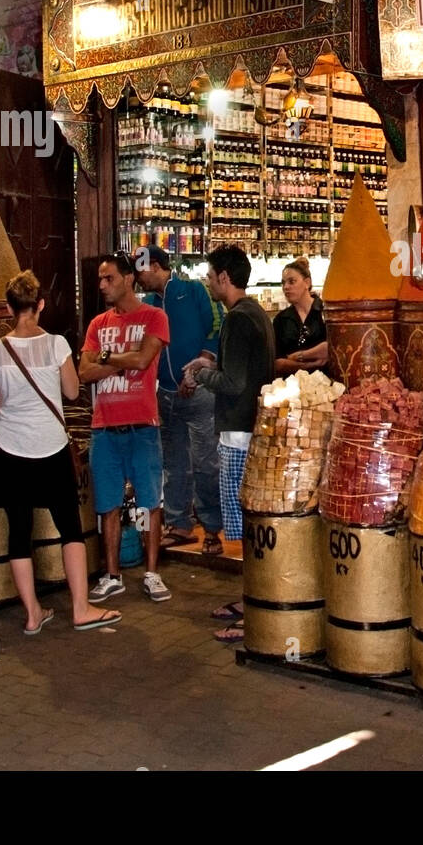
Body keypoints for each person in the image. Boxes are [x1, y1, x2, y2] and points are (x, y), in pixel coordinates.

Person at [0, 271, 121, 633]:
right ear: (40, 304)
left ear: (8, 307)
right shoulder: (57, 344)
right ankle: (80, 608)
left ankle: (32, 614)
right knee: (69, 527)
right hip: (51, 447)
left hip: (8, 448)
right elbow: (73, 393)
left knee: (19, 531)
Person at [182, 245, 275, 643]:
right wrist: (211, 366)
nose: (207, 281)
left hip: (239, 433)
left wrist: (201, 378)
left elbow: (235, 384)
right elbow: (243, 371)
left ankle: (256, 609)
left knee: (249, 528)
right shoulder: (257, 314)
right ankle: (251, 599)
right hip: (254, 427)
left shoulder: (237, 320)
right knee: (254, 525)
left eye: (210, 274)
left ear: (224, 277)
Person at [79, 253, 173, 604]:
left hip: (143, 425)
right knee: (108, 504)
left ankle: (152, 573)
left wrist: (104, 359)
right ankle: (112, 574)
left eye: (109, 279)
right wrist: (118, 361)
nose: (103, 285)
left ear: (129, 279)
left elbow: (143, 359)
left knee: (150, 502)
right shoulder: (97, 324)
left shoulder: (154, 317)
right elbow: (83, 372)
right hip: (104, 427)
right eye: (100, 280)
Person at [135, 245, 224, 557]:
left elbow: (216, 325)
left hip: (199, 390)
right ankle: (179, 525)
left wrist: (201, 362)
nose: (138, 277)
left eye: (141, 269)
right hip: (166, 393)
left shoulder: (193, 290)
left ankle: (212, 528)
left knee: (206, 463)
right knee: (173, 464)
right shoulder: (146, 304)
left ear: (158, 265)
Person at [272, 256, 328, 375]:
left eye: (292, 281)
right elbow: (277, 363)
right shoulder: (281, 319)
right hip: (291, 388)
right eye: (283, 283)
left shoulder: (326, 312)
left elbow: (329, 349)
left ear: (307, 283)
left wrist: (297, 356)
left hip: (327, 387)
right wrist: (310, 364)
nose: (286, 287)